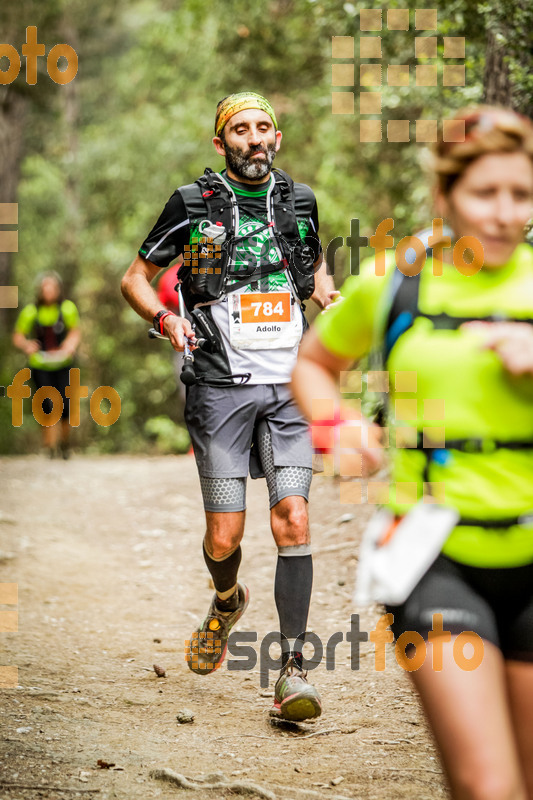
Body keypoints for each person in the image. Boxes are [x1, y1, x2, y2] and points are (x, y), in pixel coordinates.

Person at [292, 106, 533, 799]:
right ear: (443, 196)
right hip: (435, 558)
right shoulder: (393, 281)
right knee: (488, 788)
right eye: (484, 194)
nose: (503, 213)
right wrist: (338, 429)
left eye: (519, 194)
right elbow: (312, 363)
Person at [121, 92, 338, 720]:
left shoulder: (299, 201)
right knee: (225, 536)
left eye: (263, 127)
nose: (254, 138)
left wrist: (323, 291)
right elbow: (135, 278)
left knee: (293, 519)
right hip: (219, 387)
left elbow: (309, 259)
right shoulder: (193, 204)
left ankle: (293, 672)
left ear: (278, 136)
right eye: (240, 130)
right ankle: (226, 600)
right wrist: (166, 319)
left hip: (289, 388)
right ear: (221, 143)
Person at [13, 272, 81, 458]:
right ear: (40, 291)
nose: (49, 291)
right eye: (45, 287)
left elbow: (75, 332)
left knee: (66, 404)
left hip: (63, 363)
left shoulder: (67, 308)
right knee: (46, 405)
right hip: (40, 364)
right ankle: (49, 446)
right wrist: (27, 345)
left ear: (58, 290)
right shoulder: (31, 312)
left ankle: (65, 444)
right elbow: (18, 336)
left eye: (52, 287)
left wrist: (69, 345)